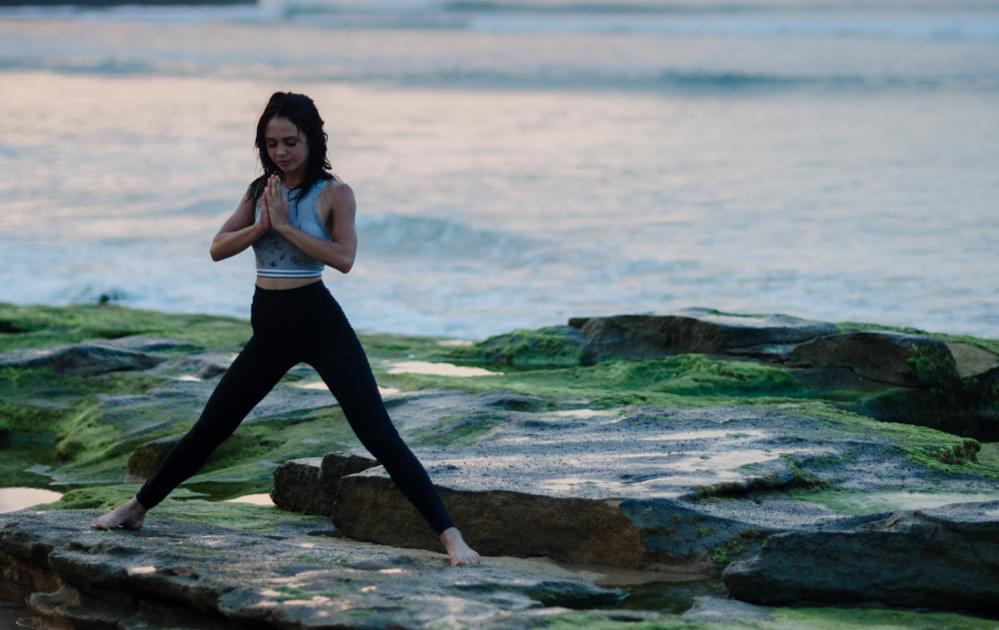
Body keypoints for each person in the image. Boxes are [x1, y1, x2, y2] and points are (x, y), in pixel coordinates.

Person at [91, 91, 481, 568]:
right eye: (272, 143)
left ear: (312, 140)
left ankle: (451, 538)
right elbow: (217, 247)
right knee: (214, 424)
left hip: (319, 322)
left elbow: (344, 259)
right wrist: (260, 227)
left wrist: (287, 228)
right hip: (270, 327)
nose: (282, 152)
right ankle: (137, 508)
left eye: (291, 142)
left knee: (377, 432)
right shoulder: (261, 190)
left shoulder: (336, 194)